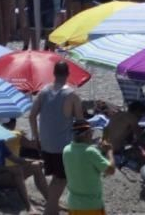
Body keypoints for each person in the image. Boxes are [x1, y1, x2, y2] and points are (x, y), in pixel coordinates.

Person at [29, 60, 84, 215]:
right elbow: (81, 123)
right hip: (63, 147)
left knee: (57, 178)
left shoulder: (43, 92)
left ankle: (53, 207)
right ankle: (50, 210)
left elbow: (32, 116)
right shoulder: (72, 95)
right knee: (61, 179)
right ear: (68, 74)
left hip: (46, 144)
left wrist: (36, 137)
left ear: (54, 74)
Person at [61, 119, 114, 215]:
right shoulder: (91, 152)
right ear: (86, 134)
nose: (92, 135)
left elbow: (83, 161)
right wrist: (109, 151)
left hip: (73, 204)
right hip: (91, 206)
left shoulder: (66, 150)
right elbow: (110, 170)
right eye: (91, 132)